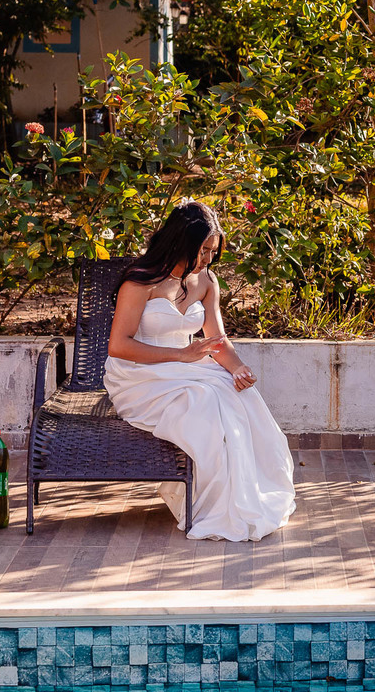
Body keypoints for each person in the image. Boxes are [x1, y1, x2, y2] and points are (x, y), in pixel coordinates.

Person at [104, 200, 295, 541]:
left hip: (187, 366)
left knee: (239, 396)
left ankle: (241, 499)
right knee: (205, 399)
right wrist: (181, 354)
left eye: (212, 250)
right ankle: (206, 506)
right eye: (203, 250)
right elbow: (118, 345)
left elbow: (217, 340)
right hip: (138, 375)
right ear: (182, 242)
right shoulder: (140, 281)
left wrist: (238, 369)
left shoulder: (206, 280)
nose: (208, 258)